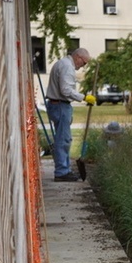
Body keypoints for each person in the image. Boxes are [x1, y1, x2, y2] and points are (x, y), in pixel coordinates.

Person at [45, 48, 94, 182]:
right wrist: (84, 97)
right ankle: (62, 172)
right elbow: (66, 90)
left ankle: (65, 169)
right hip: (60, 105)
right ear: (78, 57)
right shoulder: (67, 67)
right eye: (83, 63)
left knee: (64, 138)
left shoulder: (63, 63)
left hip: (59, 105)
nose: (82, 67)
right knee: (63, 139)